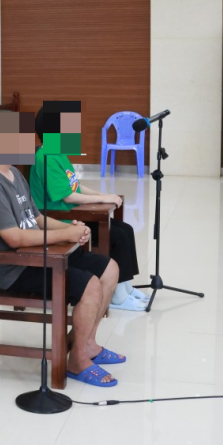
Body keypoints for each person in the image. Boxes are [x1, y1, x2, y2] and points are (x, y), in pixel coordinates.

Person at [0, 110, 122, 387]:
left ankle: (87, 345)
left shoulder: (13, 172)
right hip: (12, 267)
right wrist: (63, 234)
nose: (33, 143)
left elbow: (36, 218)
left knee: (109, 269)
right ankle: (77, 362)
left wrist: (70, 228)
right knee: (89, 285)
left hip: (36, 256)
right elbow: (13, 238)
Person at [29, 104, 148, 312]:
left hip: (72, 213)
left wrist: (103, 196)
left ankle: (125, 287)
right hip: (60, 219)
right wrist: (102, 200)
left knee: (125, 229)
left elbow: (75, 185)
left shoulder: (56, 152)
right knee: (118, 236)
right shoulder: (45, 157)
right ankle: (118, 297)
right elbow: (67, 196)